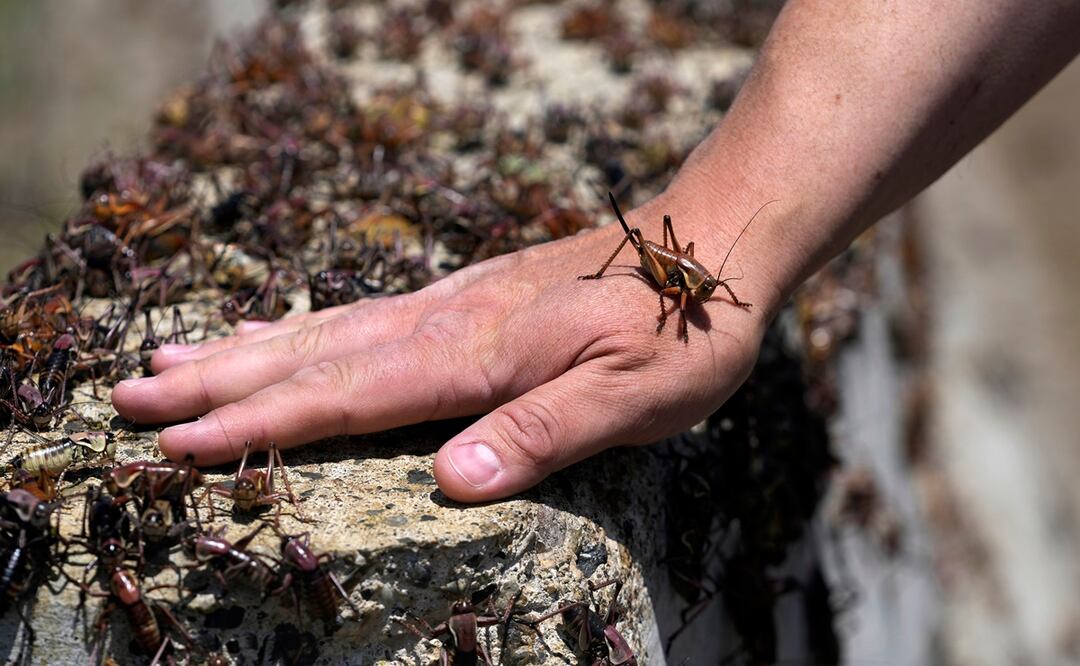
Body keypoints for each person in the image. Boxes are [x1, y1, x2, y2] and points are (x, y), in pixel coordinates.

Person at [112, 1, 1080, 503]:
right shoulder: (669, 275)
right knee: (641, 249)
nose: (694, 297)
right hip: (654, 250)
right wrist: (706, 223)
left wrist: (721, 251)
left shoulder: (698, 296)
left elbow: (697, 287)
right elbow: (665, 269)